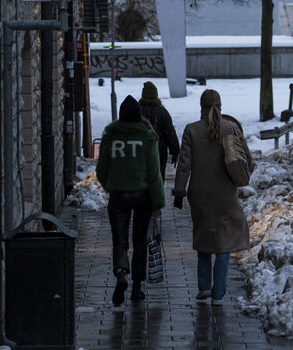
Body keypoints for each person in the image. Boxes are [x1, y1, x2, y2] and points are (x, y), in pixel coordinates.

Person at [172, 88, 251, 305]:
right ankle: (219, 293)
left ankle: (204, 286)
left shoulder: (191, 130)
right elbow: (246, 158)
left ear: (201, 107)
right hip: (226, 192)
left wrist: (180, 190)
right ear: (220, 106)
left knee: (204, 235)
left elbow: (184, 165)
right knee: (224, 242)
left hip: (199, 193)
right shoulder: (231, 128)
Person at [96, 95, 165, 306]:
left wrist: (110, 185)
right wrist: (158, 201)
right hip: (143, 196)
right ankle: (137, 287)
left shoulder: (110, 136)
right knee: (140, 241)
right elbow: (154, 173)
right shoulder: (147, 136)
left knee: (120, 242)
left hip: (118, 196)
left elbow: (101, 169)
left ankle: (121, 273)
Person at [138, 81, 180, 180]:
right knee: (158, 177)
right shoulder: (162, 112)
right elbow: (170, 133)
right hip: (159, 151)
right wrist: (175, 151)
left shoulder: (136, 110)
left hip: (139, 150)